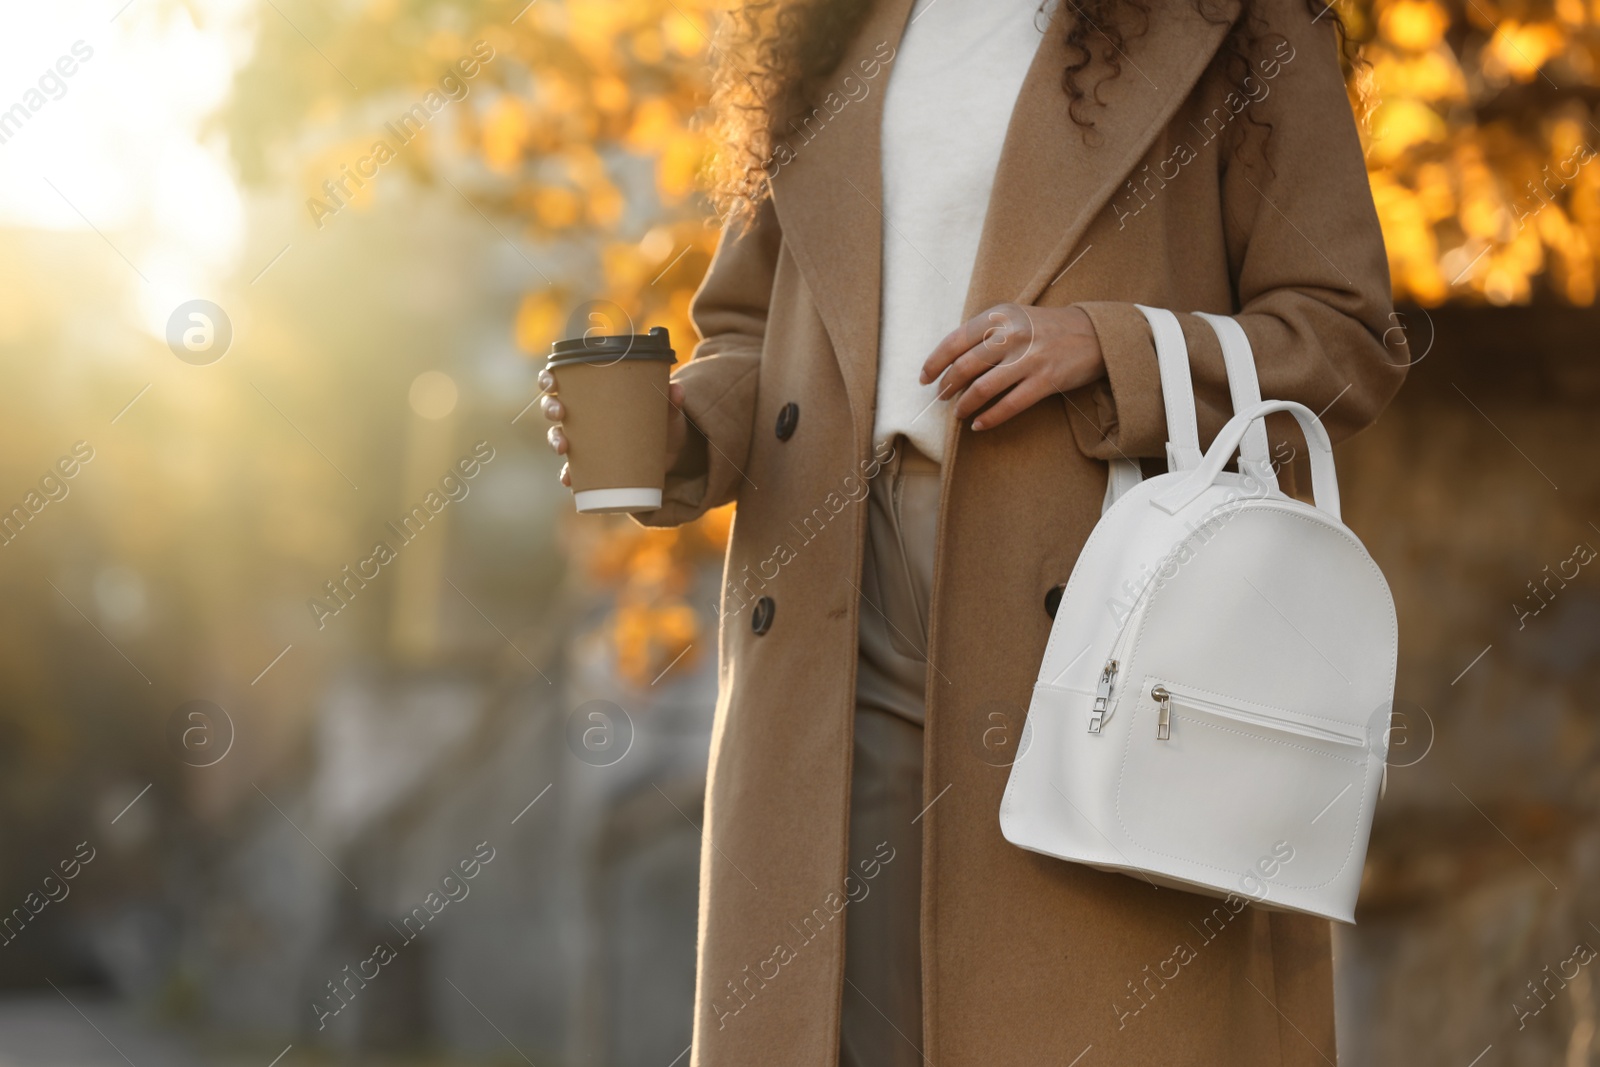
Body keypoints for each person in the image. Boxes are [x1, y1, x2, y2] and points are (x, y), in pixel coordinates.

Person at [542, 0, 1408, 1063]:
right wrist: (677, 429)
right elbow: (750, 335)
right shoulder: (831, 28)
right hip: (834, 599)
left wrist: (1107, 345)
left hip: (1107, 613)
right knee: (836, 1019)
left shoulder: (1232, 20)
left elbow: (1342, 336)